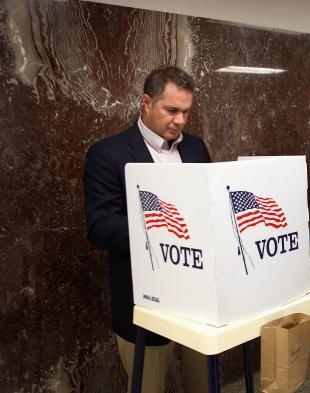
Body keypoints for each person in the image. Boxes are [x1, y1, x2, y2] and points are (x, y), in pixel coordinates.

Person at [84, 65, 211, 393]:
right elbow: (100, 228)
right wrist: (165, 230)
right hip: (144, 300)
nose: (180, 121)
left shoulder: (196, 148)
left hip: (198, 296)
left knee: (204, 382)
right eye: (171, 110)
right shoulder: (108, 154)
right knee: (148, 385)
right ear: (146, 102)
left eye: (186, 112)